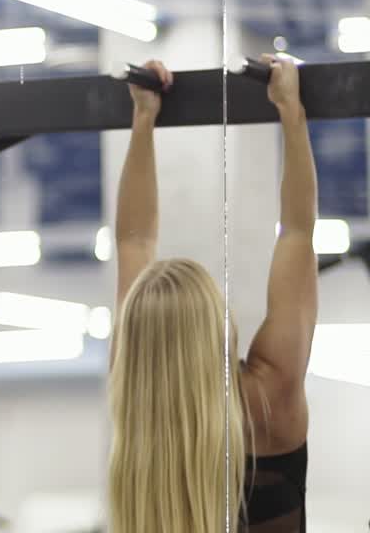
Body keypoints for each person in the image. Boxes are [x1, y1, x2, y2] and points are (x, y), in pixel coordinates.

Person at [109, 56, 315, 533]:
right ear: (216, 324)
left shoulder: (139, 412)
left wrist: (144, 119)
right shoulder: (267, 395)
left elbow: (133, 241)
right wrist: (291, 111)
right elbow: (297, 233)